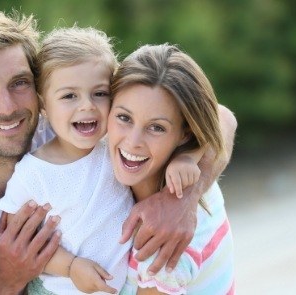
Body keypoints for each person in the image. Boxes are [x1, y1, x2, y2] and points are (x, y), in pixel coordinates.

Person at [0, 10, 236, 295]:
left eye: (19, 84)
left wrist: (182, 201)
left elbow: (218, 117)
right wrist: (7, 278)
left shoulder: (66, 129)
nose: (6, 107)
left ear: (39, 93)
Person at [107, 43, 235, 294]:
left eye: (157, 127)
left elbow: (220, 117)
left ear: (185, 134)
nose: (133, 141)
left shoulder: (163, 249)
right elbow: (222, 117)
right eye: (124, 117)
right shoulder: (192, 171)